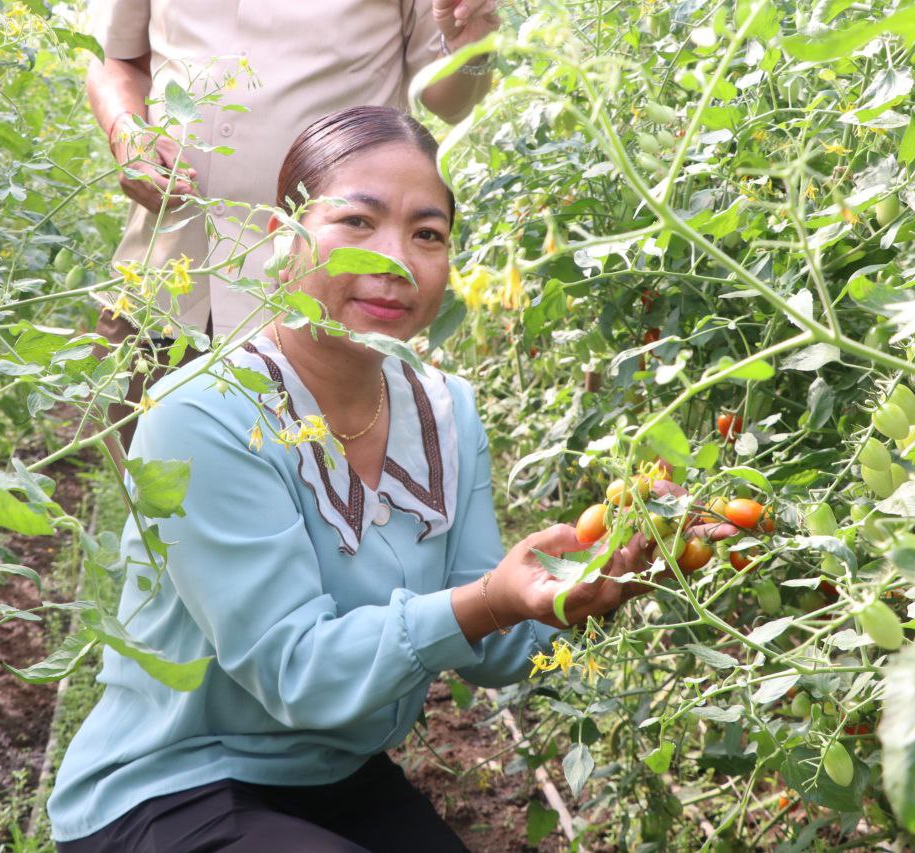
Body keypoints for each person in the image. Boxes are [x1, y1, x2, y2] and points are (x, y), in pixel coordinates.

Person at [48, 107, 716, 852]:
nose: (396, 260)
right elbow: (296, 671)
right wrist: (489, 599)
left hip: (331, 771)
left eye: (427, 234)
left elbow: (493, 649)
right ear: (281, 238)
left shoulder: (446, 409)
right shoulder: (202, 414)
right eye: (357, 222)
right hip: (171, 785)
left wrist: (596, 573)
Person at [84, 0, 500, 464]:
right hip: (165, 285)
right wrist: (126, 131)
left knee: (322, 493)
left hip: (324, 311)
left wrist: (470, 45)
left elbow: (450, 97)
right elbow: (115, 58)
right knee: (152, 492)